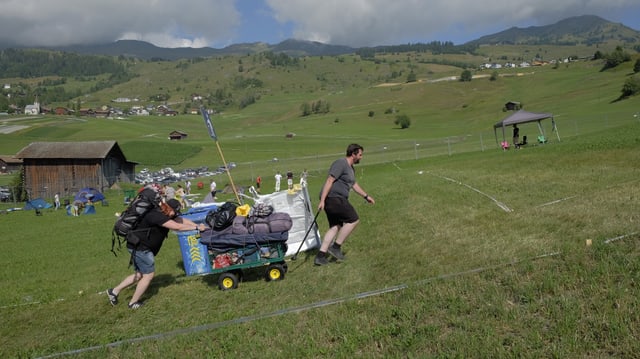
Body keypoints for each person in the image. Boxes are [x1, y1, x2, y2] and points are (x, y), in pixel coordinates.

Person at [107, 199, 206, 309]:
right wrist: (197, 228)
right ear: (169, 208)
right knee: (148, 275)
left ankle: (114, 291)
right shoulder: (156, 215)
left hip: (138, 246)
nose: (176, 215)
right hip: (141, 248)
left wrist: (198, 226)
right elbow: (177, 227)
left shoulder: (165, 212)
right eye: (176, 211)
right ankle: (133, 302)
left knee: (140, 274)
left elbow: (180, 220)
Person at [315, 144, 375, 266]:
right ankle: (335, 247)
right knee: (353, 219)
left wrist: (366, 196)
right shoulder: (341, 163)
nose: (361, 157)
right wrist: (322, 200)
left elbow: (354, 185)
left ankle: (320, 256)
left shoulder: (351, 168)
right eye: (360, 155)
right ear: (353, 154)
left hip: (334, 199)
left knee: (335, 226)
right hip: (334, 198)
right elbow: (329, 180)